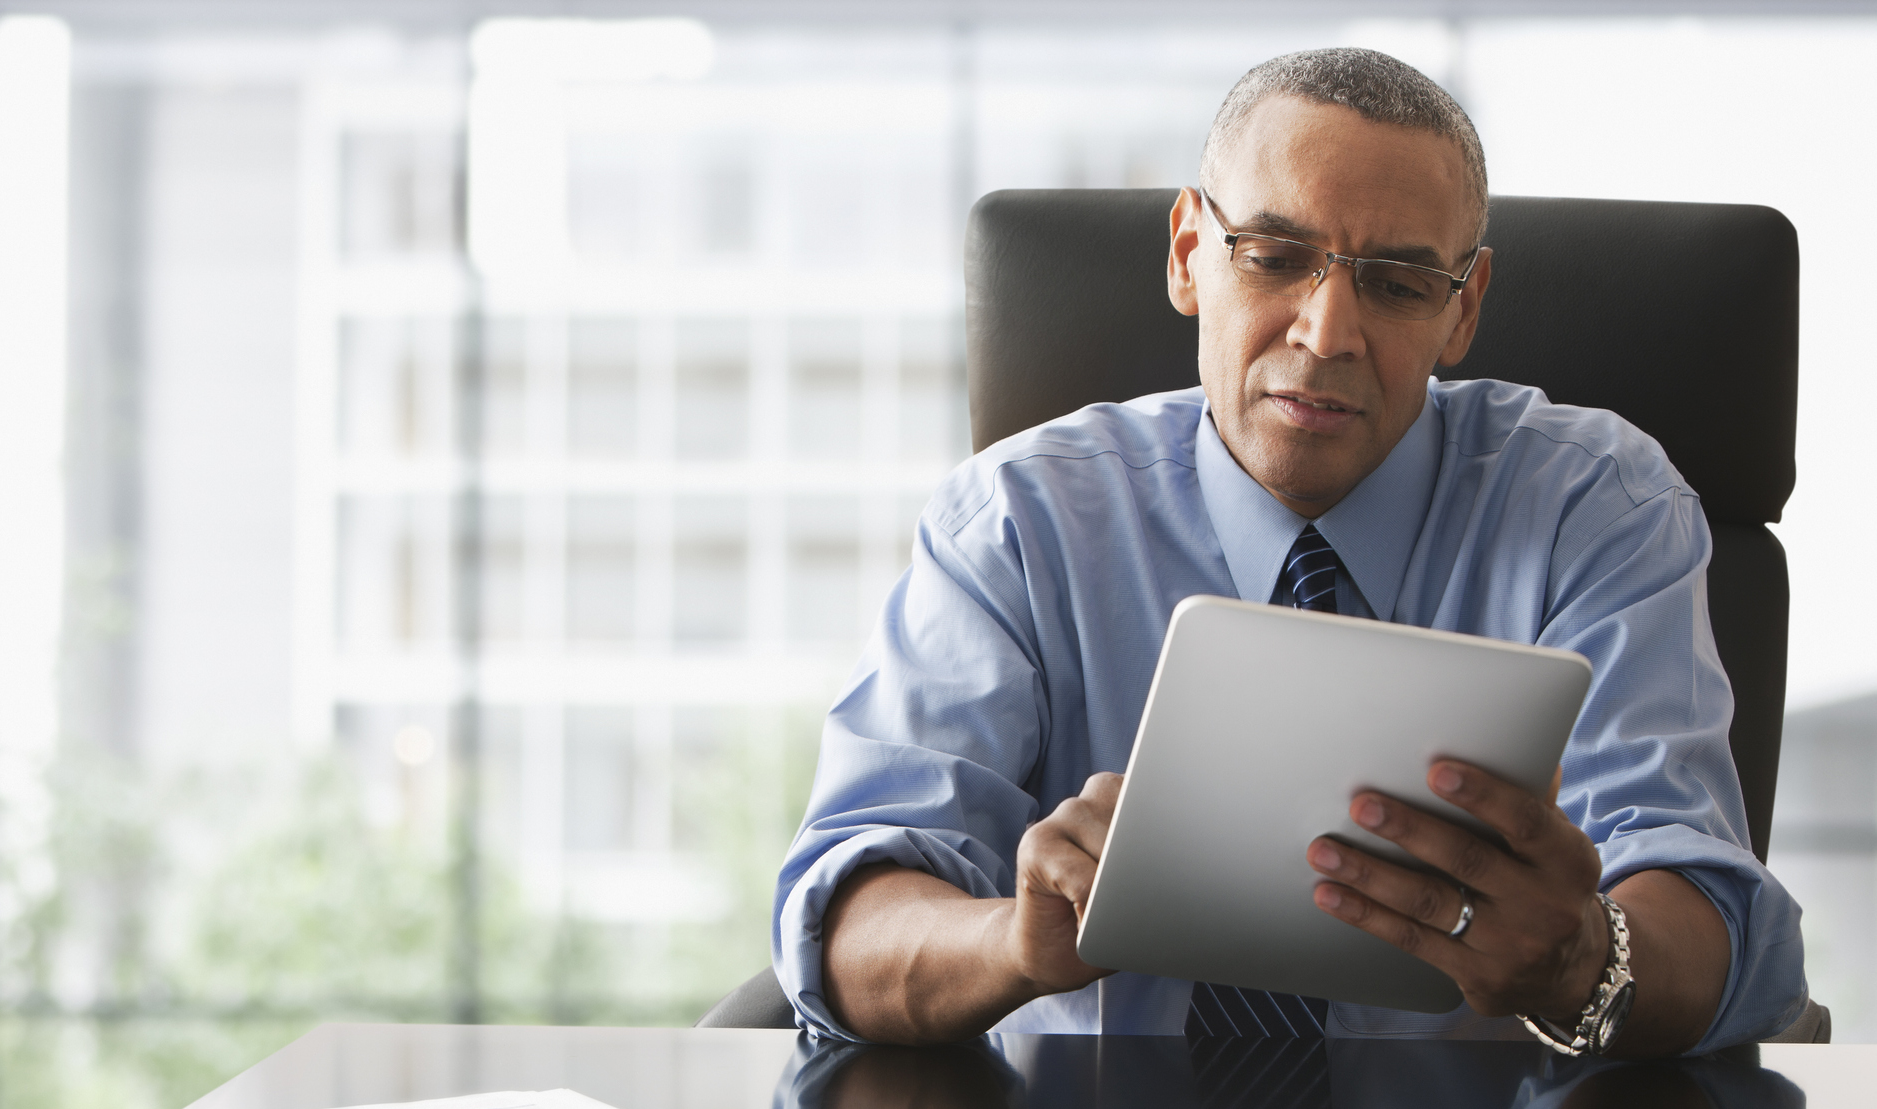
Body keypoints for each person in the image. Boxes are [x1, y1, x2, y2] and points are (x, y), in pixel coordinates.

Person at [772, 47, 1808, 1054]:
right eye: (1273, 257)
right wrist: (1013, 942)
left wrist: (1583, 955)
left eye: (1399, 283)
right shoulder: (1016, 516)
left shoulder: (1597, 504)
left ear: (1465, 309)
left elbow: (1707, 915)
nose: (1326, 333)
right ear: (1189, 253)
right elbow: (848, 926)